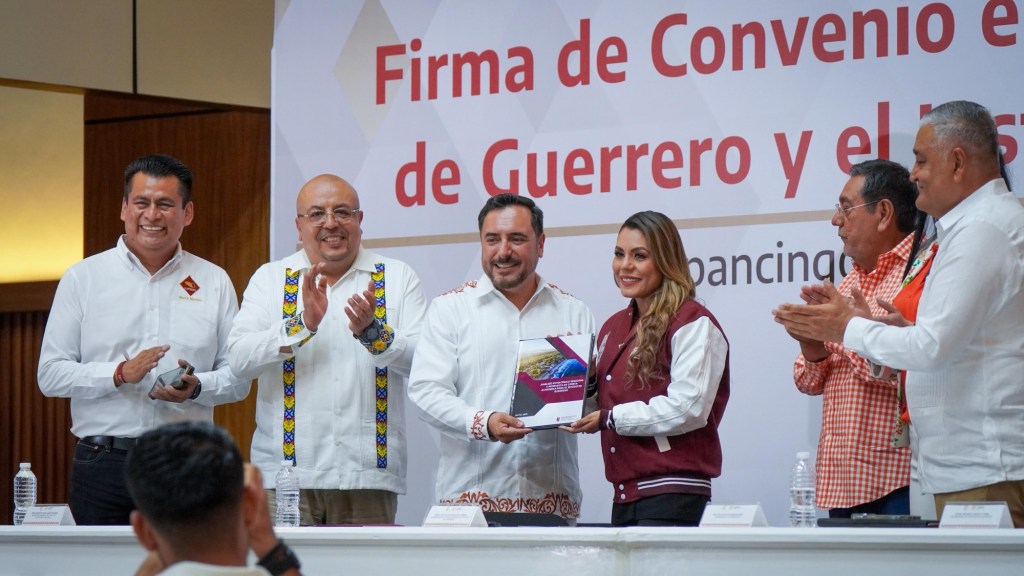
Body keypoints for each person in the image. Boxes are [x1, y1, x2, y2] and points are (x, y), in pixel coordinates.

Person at [773, 100, 1024, 526]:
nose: (914, 174)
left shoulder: (983, 229)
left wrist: (848, 327)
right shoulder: (969, 230)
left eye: (921, 160)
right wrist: (854, 334)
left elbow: (931, 347)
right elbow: (941, 342)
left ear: (957, 162)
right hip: (960, 467)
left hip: (983, 466)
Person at [37, 154, 249, 525]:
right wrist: (118, 373)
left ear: (187, 213)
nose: (152, 215)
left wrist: (198, 387)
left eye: (165, 204)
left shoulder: (214, 280)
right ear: (124, 208)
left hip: (186, 462)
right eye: (141, 202)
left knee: (186, 558)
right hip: (103, 464)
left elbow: (239, 377)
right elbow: (50, 374)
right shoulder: (83, 278)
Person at [228, 174, 426, 525]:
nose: (331, 223)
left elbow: (425, 363)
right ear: (299, 225)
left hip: (367, 478)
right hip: (286, 481)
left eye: (343, 212)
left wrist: (373, 334)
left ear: (360, 220)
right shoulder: (270, 278)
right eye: (317, 214)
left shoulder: (397, 277)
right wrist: (301, 324)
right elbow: (240, 360)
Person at [408, 193, 595, 521]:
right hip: (469, 509)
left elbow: (590, 408)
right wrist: (484, 423)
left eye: (517, 239)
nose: (503, 251)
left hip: (551, 505)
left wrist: (587, 391)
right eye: (492, 239)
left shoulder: (573, 312)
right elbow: (426, 393)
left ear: (540, 244)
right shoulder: (450, 309)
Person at [561, 211, 729, 526]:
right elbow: (600, 409)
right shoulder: (613, 326)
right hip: (625, 497)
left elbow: (688, 408)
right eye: (619, 254)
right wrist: (582, 381)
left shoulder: (693, 322)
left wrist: (610, 418)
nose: (625, 265)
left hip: (674, 496)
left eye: (639, 256)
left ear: (666, 261)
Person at [785, 159, 921, 518]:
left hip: (897, 480)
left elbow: (910, 369)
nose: (836, 220)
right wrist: (812, 346)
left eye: (846, 208)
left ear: (883, 213)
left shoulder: (918, 275)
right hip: (842, 483)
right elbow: (808, 381)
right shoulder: (850, 281)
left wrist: (848, 332)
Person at [127, 422, 302, 576]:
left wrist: (162, 543)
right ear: (250, 506)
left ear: (142, 530)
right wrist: (269, 546)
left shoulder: (149, 537)